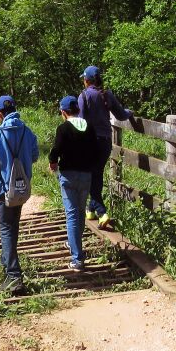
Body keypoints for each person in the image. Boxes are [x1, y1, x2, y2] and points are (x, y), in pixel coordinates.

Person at [0, 95, 39, 295]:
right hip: (21, 189)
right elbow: (34, 156)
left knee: (6, 229)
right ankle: (6, 261)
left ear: (0, 113)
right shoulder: (27, 131)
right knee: (13, 226)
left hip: (2, 189)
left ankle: (14, 276)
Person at [77, 65, 131, 229]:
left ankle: (102, 212)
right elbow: (121, 115)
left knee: (92, 176)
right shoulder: (107, 94)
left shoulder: (84, 96)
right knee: (97, 174)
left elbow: (80, 123)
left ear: (86, 80)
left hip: (91, 142)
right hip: (106, 142)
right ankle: (90, 209)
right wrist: (130, 112)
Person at [47, 95, 95, 270]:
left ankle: (77, 258)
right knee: (80, 212)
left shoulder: (63, 128)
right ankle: (73, 243)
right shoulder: (89, 127)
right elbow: (95, 151)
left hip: (68, 176)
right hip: (86, 175)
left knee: (72, 215)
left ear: (63, 112)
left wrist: (53, 162)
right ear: (78, 110)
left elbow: (56, 150)